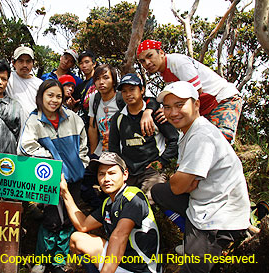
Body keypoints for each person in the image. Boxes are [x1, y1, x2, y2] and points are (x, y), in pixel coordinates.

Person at [151, 81, 250, 272]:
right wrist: (182, 180)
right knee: (159, 191)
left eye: (180, 105)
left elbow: (180, 187)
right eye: (168, 107)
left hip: (221, 212)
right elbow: (180, 184)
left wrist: (182, 180)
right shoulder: (188, 132)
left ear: (196, 105)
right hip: (204, 200)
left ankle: (224, 238)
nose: (173, 113)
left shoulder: (201, 135)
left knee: (192, 269)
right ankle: (189, 231)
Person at [18, 79, 89, 273]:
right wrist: (50, 159)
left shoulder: (73, 118)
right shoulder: (34, 120)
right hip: (49, 179)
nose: (55, 100)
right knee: (52, 220)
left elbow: (83, 145)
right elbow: (25, 146)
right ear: (41, 97)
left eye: (59, 96)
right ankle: (42, 260)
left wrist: (81, 165)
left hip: (74, 179)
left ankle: (59, 262)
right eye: (50, 95)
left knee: (68, 220)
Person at [60, 152, 161, 273]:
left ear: (125, 175)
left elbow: (120, 236)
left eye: (112, 173)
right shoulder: (108, 202)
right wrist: (65, 192)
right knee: (77, 238)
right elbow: (82, 225)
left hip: (139, 268)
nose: (106, 179)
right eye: (101, 174)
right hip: (122, 261)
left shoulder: (133, 196)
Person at [137, 39, 242, 143]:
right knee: (199, 143)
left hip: (222, 98)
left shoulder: (177, 62)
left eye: (149, 56)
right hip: (205, 108)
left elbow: (196, 91)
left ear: (161, 53)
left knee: (220, 140)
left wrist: (170, 111)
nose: (147, 63)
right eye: (142, 61)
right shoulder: (164, 72)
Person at [109, 73, 179, 203]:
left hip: (152, 170)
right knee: (123, 204)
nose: (128, 94)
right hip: (128, 171)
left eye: (132, 89)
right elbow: (113, 147)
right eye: (124, 91)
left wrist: (162, 161)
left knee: (150, 202)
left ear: (142, 90)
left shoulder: (157, 114)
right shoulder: (118, 118)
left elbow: (174, 140)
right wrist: (120, 168)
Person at [88, 64, 160, 157]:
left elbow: (148, 101)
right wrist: (93, 153)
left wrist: (148, 111)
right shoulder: (94, 99)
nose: (101, 82)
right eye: (97, 79)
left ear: (114, 81)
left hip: (122, 151)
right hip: (101, 152)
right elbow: (92, 127)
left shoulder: (123, 97)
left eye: (106, 78)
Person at [5, 46, 43, 123]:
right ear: (13, 63)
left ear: (33, 63)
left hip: (36, 128)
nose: (25, 65)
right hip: (14, 129)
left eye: (28, 61)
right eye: (21, 61)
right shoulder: (7, 78)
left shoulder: (40, 84)